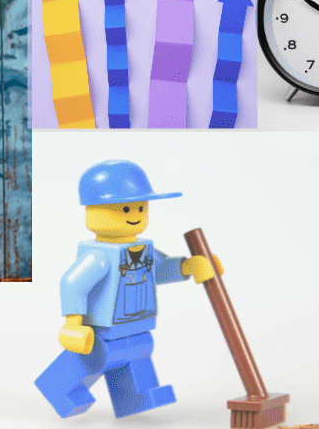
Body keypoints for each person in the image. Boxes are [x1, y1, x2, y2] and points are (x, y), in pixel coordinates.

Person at [35, 160, 220, 419]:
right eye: (125, 208)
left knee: (138, 351)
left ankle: (136, 396)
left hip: (136, 323)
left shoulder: (144, 250)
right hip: (100, 329)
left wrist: (188, 266)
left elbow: (160, 269)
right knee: (96, 356)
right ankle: (57, 387)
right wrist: (73, 321)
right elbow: (72, 282)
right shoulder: (99, 256)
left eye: (141, 207)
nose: (135, 213)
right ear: (93, 211)